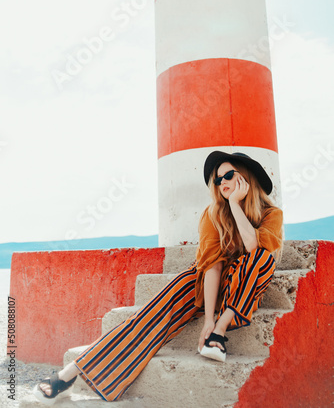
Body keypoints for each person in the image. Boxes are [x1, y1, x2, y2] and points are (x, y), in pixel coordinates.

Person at [33, 151, 283, 405]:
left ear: (247, 177)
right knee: (146, 318)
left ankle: (218, 336)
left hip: (242, 285)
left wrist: (235, 206)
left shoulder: (272, 214)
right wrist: (208, 318)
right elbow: (213, 266)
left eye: (228, 175)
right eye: (218, 180)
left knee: (261, 258)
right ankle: (68, 376)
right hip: (204, 282)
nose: (223, 183)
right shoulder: (213, 213)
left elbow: (254, 248)